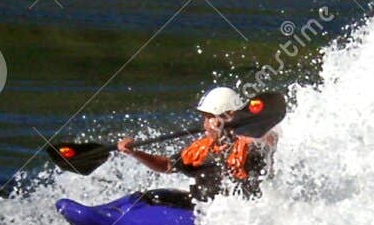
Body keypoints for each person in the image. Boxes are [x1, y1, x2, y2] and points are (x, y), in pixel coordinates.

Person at [116, 86, 274, 202]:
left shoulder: (249, 143)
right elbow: (167, 166)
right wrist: (135, 153)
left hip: (242, 215)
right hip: (204, 211)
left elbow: (269, 139)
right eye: (204, 117)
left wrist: (238, 126)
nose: (205, 124)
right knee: (153, 197)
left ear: (228, 117)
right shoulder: (202, 148)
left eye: (209, 117)